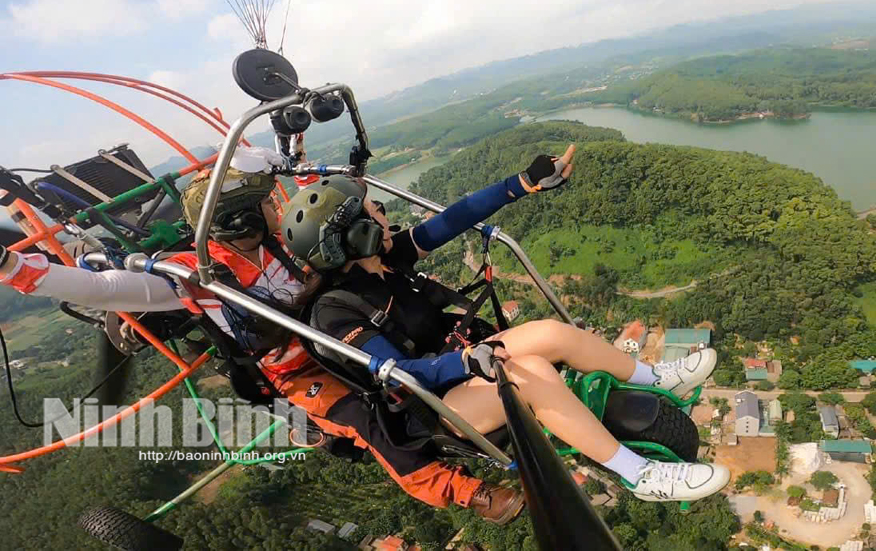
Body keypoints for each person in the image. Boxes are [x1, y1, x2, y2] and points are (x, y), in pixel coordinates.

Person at [0, 146, 525, 524]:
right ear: (245, 218)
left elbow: (325, 209)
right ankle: (465, 491)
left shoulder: (288, 243)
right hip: (299, 371)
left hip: (350, 334)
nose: (278, 206)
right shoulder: (197, 275)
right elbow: (106, 286)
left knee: (420, 344)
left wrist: (288, 148)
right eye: (266, 203)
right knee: (366, 418)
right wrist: (15, 268)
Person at [279, 144, 731, 502]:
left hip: (467, 363)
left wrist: (523, 183)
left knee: (551, 333)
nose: (381, 210)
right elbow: (402, 375)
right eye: (371, 209)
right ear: (357, 236)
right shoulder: (335, 312)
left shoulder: (387, 260)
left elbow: (456, 217)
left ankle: (656, 379)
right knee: (527, 374)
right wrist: (467, 363)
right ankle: (641, 475)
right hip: (438, 405)